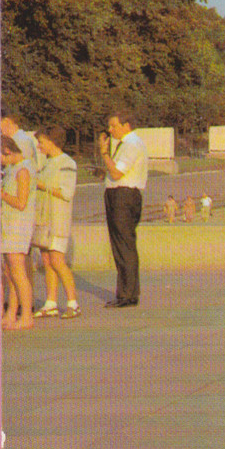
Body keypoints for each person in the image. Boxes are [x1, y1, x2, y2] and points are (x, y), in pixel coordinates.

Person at [98, 109, 147, 309]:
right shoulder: (127, 144)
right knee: (121, 244)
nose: (110, 130)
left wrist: (104, 153)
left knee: (124, 245)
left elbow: (117, 173)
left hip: (123, 197)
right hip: (120, 194)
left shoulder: (131, 144)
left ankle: (128, 294)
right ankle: (125, 292)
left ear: (126, 125)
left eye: (113, 126)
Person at [31, 127, 80, 319]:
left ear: (52, 141)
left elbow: (67, 192)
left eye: (42, 142)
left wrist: (43, 186)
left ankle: (72, 302)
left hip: (58, 220)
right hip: (44, 220)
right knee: (47, 260)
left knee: (58, 261)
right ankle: (50, 302)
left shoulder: (67, 162)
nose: (39, 146)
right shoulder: (48, 163)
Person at [1, 134, 37, 330]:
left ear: (7, 152)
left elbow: (21, 203)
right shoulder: (12, 168)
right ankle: (11, 313)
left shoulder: (23, 170)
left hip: (18, 225)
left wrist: (2, 194)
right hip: (9, 224)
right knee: (10, 270)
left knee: (18, 271)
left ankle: (26, 316)